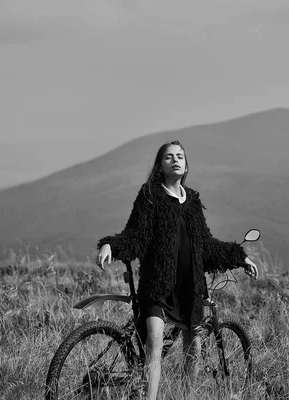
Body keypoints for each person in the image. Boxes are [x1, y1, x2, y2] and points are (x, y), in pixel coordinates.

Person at [96, 140, 258, 400]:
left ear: (186, 163)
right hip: (158, 283)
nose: (176, 160)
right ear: (159, 166)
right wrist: (110, 245)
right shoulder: (150, 196)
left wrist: (240, 257)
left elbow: (205, 243)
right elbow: (135, 235)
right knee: (155, 341)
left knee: (194, 346)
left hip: (190, 285)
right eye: (169, 157)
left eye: (180, 156)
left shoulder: (192, 199)